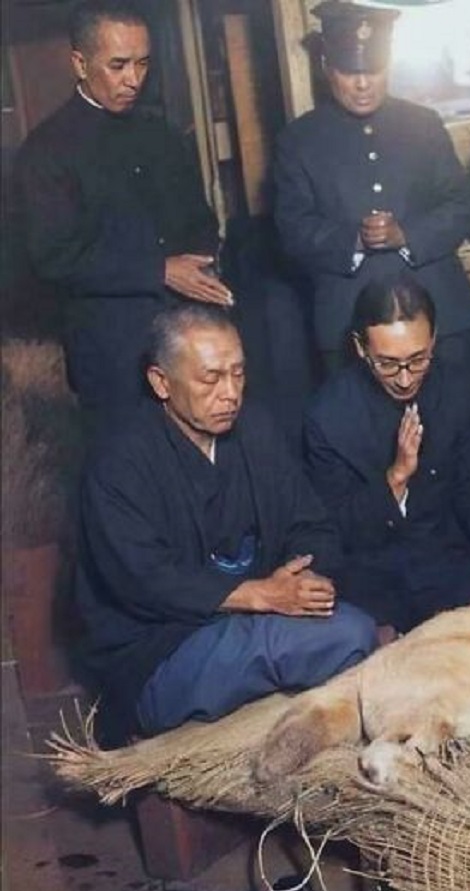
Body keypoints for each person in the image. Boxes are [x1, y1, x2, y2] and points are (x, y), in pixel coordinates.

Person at [76, 304, 376, 749]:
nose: (230, 392)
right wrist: (260, 595)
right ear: (161, 382)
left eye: (238, 373)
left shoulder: (255, 428)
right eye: (211, 378)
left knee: (353, 626)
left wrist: (308, 579)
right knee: (348, 637)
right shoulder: (120, 461)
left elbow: (311, 523)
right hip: (162, 649)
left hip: (256, 620)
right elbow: (143, 580)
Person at [14, 0, 233, 423]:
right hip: (112, 353)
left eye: (143, 63)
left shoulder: (162, 134)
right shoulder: (46, 151)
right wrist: (160, 270)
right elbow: (54, 257)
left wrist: (205, 265)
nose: (133, 80)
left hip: (185, 336)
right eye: (118, 65)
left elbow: (200, 220)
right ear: (80, 63)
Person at [273, 2, 470, 376]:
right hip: (347, 322)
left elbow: (463, 205)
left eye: (374, 69)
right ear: (325, 68)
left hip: (443, 317)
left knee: (459, 424)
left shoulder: (424, 125)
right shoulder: (298, 141)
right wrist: (354, 240)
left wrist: (407, 235)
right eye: (349, 71)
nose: (363, 83)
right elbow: (292, 230)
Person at [303, 276, 470, 632]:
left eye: (418, 360)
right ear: (360, 348)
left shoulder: (459, 389)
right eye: (387, 363)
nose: (405, 380)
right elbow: (335, 528)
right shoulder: (328, 415)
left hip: (447, 556)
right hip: (374, 568)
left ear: (433, 339)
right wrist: (396, 478)